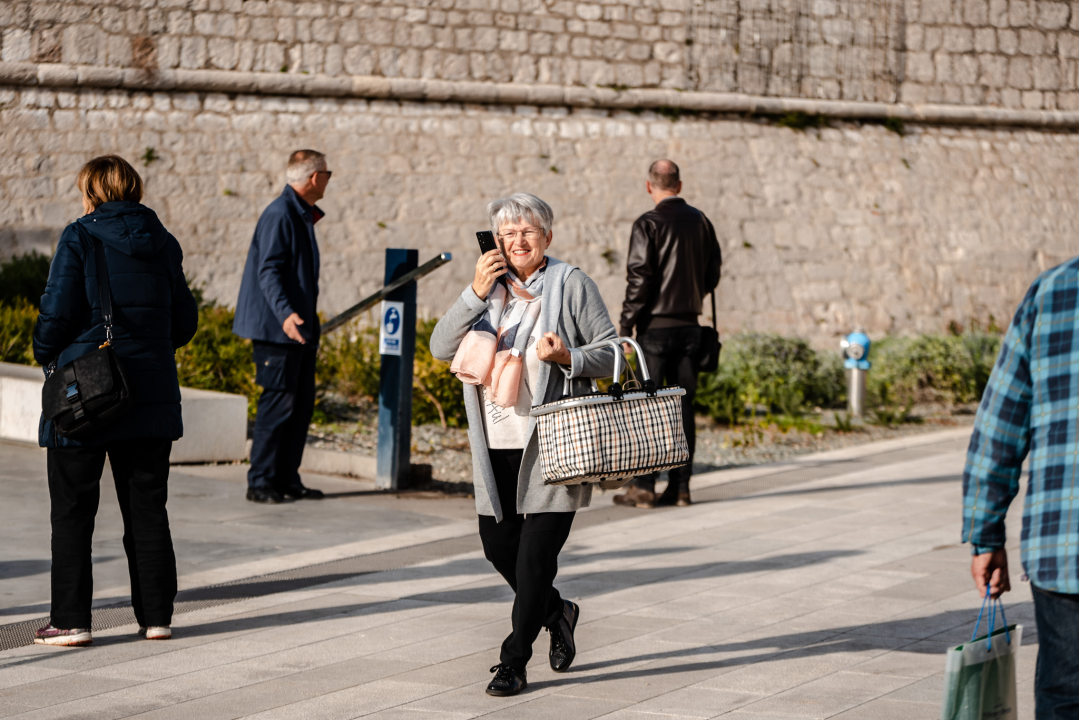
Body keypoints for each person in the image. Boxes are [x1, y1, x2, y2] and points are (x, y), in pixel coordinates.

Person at [431, 193, 617, 697]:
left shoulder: (570, 284)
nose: (517, 241)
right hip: (495, 447)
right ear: (495, 240)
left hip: (554, 447)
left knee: (534, 561)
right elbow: (440, 347)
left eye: (528, 232)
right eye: (508, 233)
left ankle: (513, 661)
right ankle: (558, 612)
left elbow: (613, 352)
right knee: (499, 549)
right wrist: (474, 292)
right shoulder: (487, 289)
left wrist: (568, 357)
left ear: (547, 237)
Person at [32, 155, 199, 646]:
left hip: (86, 393)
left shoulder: (79, 237)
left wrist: (45, 351)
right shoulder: (164, 242)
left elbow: (55, 314)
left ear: (91, 191)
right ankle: (156, 617)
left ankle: (71, 621)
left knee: (73, 511)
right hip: (150, 396)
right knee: (147, 510)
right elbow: (184, 321)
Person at [963, 257, 1079, 720]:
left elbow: (1000, 425)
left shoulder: (1053, 291)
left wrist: (985, 534)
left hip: (1065, 544)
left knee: (1067, 694)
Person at [613, 159, 721, 509]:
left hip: (654, 330)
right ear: (680, 185)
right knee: (682, 407)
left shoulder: (648, 223)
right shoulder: (702, 221)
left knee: (647, 406)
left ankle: (645, 487)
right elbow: (713, 274)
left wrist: (626, 326)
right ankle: (681, 488)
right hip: (690, 327)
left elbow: (639, 278)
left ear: (649, 186)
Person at [233, 150, 331, 504]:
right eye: (327, 174)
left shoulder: (298, 213)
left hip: (298, 330)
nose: (328, 180)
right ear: (315, 177)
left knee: (300, 406)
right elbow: (268, 270)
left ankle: (287, 478)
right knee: (276, 405)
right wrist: (286, 315)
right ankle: (260, 482)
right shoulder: (280, 214)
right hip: (278, 330)